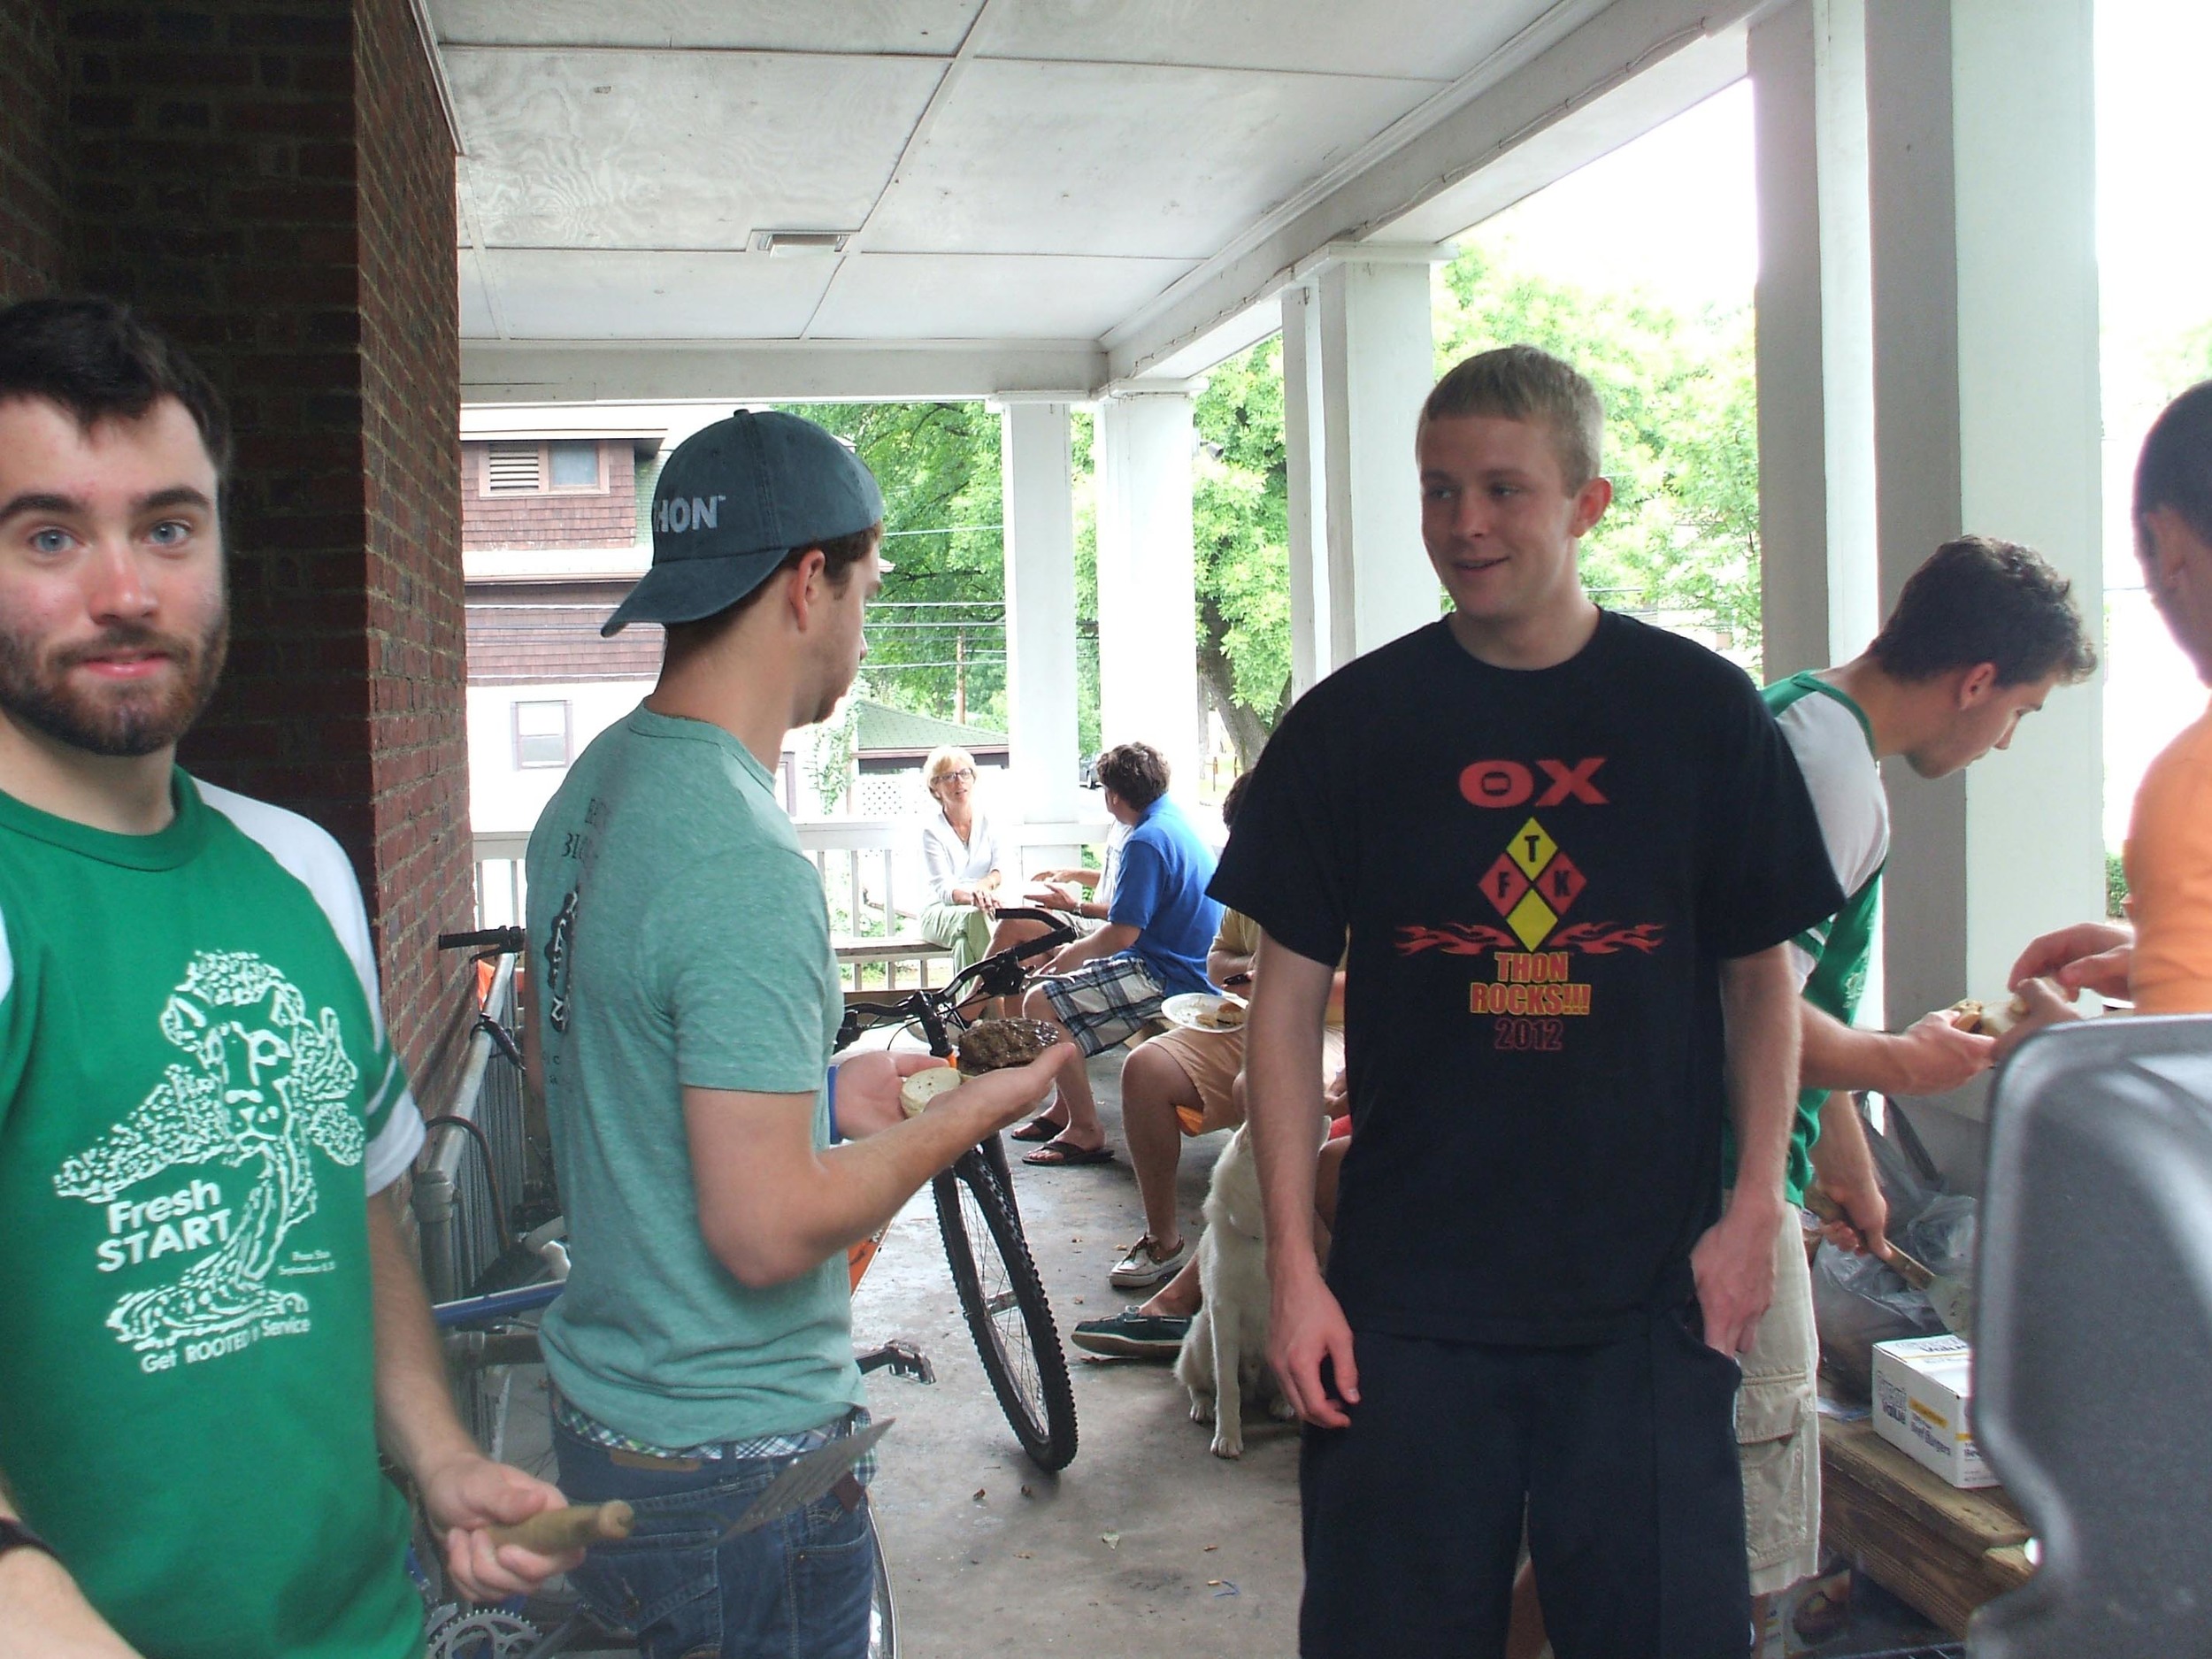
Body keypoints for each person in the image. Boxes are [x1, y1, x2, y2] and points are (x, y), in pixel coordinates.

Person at [1214, 344, 1843, 1658]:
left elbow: (1759, 980)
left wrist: (1753, 1214)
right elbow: (1283, 1004)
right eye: (1440, 490)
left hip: (1646, 1301)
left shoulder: (1699, 713)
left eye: (1504, 488)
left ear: (1587, 503)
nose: (1466, 524)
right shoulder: (1355, 725)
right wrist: (1292, 1269)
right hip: (1405, 1305)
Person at [0, 296, 574, 1658]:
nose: (125, 588)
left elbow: (348, 1198)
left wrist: (437, 1454)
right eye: (48, 534)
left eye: (167, 525)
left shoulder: (300, 865)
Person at [525, 409, 1074, 1659]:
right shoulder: (740, 851)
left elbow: (617, 1077)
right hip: (741, 1472)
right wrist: (970, 1110)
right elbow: (765, 1226)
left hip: (611, 1421)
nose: (865, 626)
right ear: (806, 582)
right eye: (868, 587)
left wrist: (824, 1090)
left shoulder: (597, 786)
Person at [1509, 534, 2097, 1654]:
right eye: (2018, 710)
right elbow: (1746, 1008)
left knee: (1624, 1525)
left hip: (1686, 1168)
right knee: (1720, 1552)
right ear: (1975, 681)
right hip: (1716, 1190)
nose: (2007, 738)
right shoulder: (1833, 775)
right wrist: (1898, 1062)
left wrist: (1846, 1164)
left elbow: (1769, 981)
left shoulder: (1799, 721)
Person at [1098, 771, 1348, 1291]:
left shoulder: (1349, 880)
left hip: (1331, 1030)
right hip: (1249, 1019)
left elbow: (1376, 985)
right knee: (1145, 1067)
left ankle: (1306, 1266)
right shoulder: (1254, 882)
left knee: (1260, 1088)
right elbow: (1217, 958)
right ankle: (1163, 1240)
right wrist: (1246, 974)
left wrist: (1288, 983)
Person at [2012, 380, 2212, 1021]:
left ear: (2168, 542)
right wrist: (2162, 951)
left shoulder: (2193, 785)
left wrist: (2054, 1055)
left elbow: (2184, 1110)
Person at [1017, 741, 1223, 1167]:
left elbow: (1123, 933)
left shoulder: (1145, 840)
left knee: (1039, 1001)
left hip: (1171, 973)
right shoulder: (1171, 820)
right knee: (1059, 994)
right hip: (1184, 959)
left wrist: (1073, 955)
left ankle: (1086, 1129)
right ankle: (1063, 1109)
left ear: (1113, 795)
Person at [916, 743, 1049, 979]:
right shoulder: (931, 831)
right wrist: (974, 898)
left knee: (964, 947)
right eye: (949, 776)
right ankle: (1001, 1004)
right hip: (940, 912)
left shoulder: (991, 821)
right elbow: (944, 888)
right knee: (977, 918)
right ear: (935, 787)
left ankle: (969, 1013)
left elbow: (1001, 867)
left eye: (964, 773)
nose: (959, 782)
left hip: (983, 910)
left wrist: (984, 887)